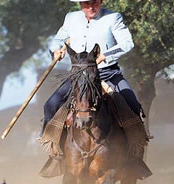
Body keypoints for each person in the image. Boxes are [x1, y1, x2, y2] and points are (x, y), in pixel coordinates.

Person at [41, 0, 149, 158]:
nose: (91, 7)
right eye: (86, 3)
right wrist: (55, 51)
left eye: (95, 2)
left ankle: (134, 153)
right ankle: (54, 145)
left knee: (132, 103)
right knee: (50, 105)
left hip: (107, 73)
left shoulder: (113, 17)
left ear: (101, 1)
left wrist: (106, 55)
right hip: (78, 76)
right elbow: (57, 40)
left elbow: (127, 43)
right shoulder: (71, 18)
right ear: (80, 4)